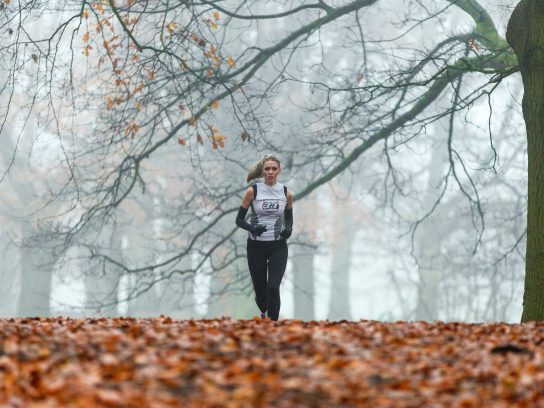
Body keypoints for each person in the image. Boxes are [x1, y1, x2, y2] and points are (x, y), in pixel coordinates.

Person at [235, 154, 293, 321]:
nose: (270, 172)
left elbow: (289, 219)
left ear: (279, 171)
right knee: (261, 292)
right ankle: (263, 312)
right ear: (263, 171)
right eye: (267, 169)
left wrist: (288, 230)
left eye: (274, 169)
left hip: (278, 246)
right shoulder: (252, 191)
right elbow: (239, 219)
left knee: (273, 288)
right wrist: (252, 228)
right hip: (256, 247)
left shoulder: (286, 193)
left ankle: (273, 326)